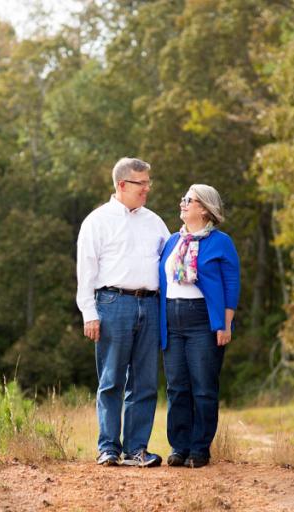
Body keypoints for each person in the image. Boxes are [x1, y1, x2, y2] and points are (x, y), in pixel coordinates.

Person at [76, 157, 170, 467]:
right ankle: (108, 448)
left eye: (148, 183)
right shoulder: (97, 221)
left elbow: (170, 265)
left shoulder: (155, 222)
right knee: (112, 379)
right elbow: (86, 271)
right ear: (121, 185)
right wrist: (89, 312)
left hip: (150, 304)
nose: (147, 189)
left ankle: (136, 449)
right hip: (112, 304)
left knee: (143, 383)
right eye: (141, 183)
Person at [158, 184, 240, 468]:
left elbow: (231, 285)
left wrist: (225, 324)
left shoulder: (221, 242)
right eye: (183, 198)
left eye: (188, 200)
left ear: (204, 208)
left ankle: (199, 448)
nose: (182, 203)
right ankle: (178, 447)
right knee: (176, 387)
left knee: (203, 387)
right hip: (171, 318)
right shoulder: (172, 241)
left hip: (203, 320)